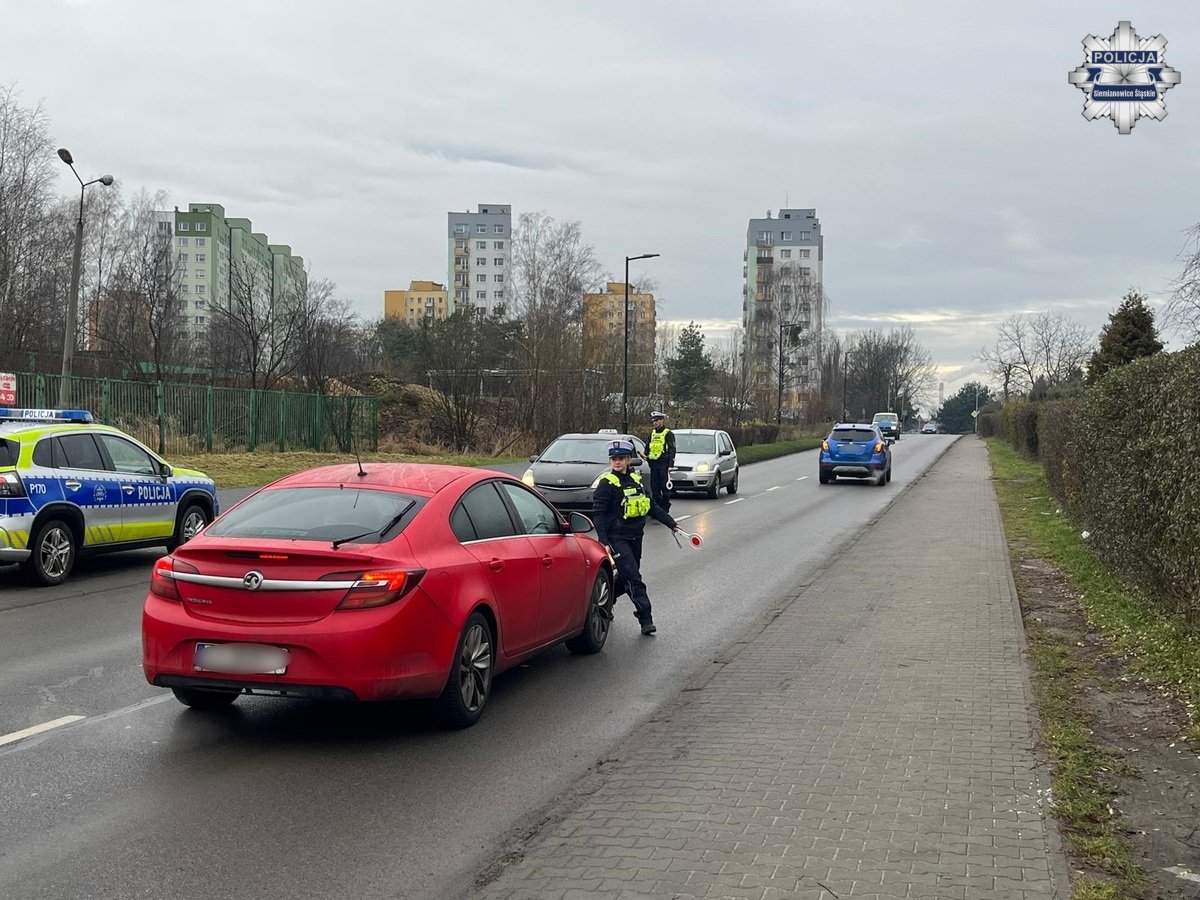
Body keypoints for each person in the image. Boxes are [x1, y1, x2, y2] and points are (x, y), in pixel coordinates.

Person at [591, 438, 683, 635]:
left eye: (621, 458)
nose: (617, 462)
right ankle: (645, 618)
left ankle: (604, 601)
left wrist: (672, 524)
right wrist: (604, 541)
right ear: (610, 461)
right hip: (617, 538)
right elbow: (598, 514)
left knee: (626, 578)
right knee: (634, 578)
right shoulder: (607, 484)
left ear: (628, 460)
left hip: (636, 536)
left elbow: (651, 506)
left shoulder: (637, 480)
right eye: (614, 459)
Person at [645, 410, 676, 514]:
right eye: (653, 421)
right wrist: (646, 455)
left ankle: (665, 508)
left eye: (657, 420)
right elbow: (648, 446)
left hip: (664, 464)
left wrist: (670, 465)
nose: (655, 423)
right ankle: (657, 509)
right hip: (653, 464)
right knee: (655, 488)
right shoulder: (652, 433)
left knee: (664, 488)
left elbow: (672, 449)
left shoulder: (668, 433)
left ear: (662, 420)